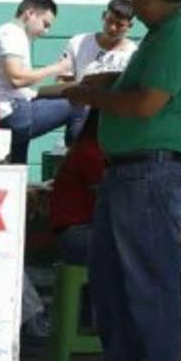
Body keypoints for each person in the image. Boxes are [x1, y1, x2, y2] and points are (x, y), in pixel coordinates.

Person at [62, 0, 181, 361]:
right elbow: (147, 86)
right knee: (109, 277)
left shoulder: (177, 34)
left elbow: (147, 104)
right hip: (130, 171)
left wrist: (91, 96)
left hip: (148, 172)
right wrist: (113, 81)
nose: (131, 3)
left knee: (149, 279)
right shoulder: (167, 33)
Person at [0, 0, 72, 163]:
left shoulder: (7, 33)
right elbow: (17, 79)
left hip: (9, 110)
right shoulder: (12, 34)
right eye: (45, 24)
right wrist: (56, 68)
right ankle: (73, 163)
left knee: (16, 169)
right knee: (75, 105)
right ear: (30, 13)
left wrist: (68, 87)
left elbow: (21, 86)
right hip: (12, 112)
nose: (46, 31)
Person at [58, 0, 137, 141]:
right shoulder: (78, 43)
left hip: (112, 119)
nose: (112, 28)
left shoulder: (133, 54)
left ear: (129, 26)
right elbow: (62, 81)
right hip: (79, 115)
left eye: (119, 25)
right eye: (109, 21)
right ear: (103, 16)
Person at [50, 109, 105, 266]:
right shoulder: (90, 151)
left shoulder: (85, 148)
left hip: (73, 233)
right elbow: (107, 197)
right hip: (78, 234)